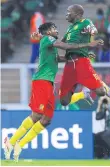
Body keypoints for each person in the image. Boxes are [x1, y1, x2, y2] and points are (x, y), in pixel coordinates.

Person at [4, 22, 102, 162]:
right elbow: (65, 46)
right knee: (37, 115)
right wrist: (87, 45)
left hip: (49, 83)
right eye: (54, 28)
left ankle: (20, 145)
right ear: (48, 31)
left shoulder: (49, 44)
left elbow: (59, 58)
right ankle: (11, 143)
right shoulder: (47, 39)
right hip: (41, 81)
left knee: (46, 120)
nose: (56, 30)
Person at [59, 4, 110, 107]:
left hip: (81, 62)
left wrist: (89, 31)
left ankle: (103, 85)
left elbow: (94, 31)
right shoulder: (70, 28)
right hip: (69, 65)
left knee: (101, 92)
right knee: (64, 101)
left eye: (69, 12)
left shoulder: (85, 22)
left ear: (77, 14)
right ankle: (83, 94)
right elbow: (62, 42)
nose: (67, 14)